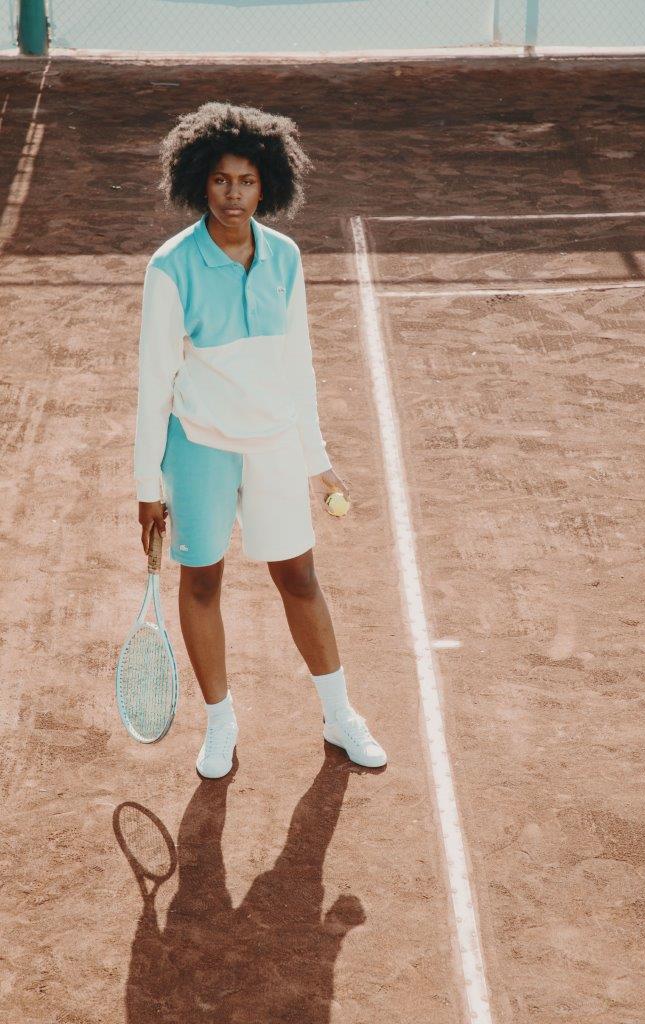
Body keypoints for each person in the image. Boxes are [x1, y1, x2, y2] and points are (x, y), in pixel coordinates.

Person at [134, 101, 387, 779]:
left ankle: (338, 715)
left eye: (246, 181)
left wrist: (317, 460)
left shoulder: (285, 258)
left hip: (272, 443)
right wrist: (146, 487)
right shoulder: (170, 267)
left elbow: (297, 365)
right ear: (199, 181)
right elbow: (154, 385)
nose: (233, 194)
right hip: (200, 447)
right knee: (203, 582)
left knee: (299, 576)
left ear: (266, 184)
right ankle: (221, 724)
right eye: (221, 179)